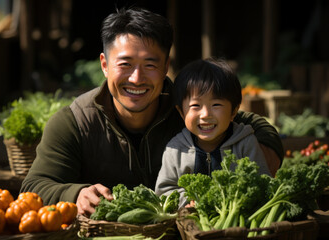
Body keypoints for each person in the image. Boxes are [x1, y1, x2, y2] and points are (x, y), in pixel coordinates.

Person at [20, 7, 283, 216]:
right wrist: (74, 194)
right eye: (125, 64)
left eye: (149, 64)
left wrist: (264, 154)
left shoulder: (187, 109)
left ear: (166, 65)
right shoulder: (75, 121)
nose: (136, 78)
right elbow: (34, 186)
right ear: (104, 64)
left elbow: (253, 123)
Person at [155, 59, 272, 207]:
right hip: (189, 224)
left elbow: (264, 184)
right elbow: (164, 191)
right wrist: (190, 200)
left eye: (216, 105)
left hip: (236, 223)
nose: (205, 114)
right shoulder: (175, 149)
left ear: (234, 111)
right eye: (195, 105)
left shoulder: (246, 143)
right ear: (181, 112)